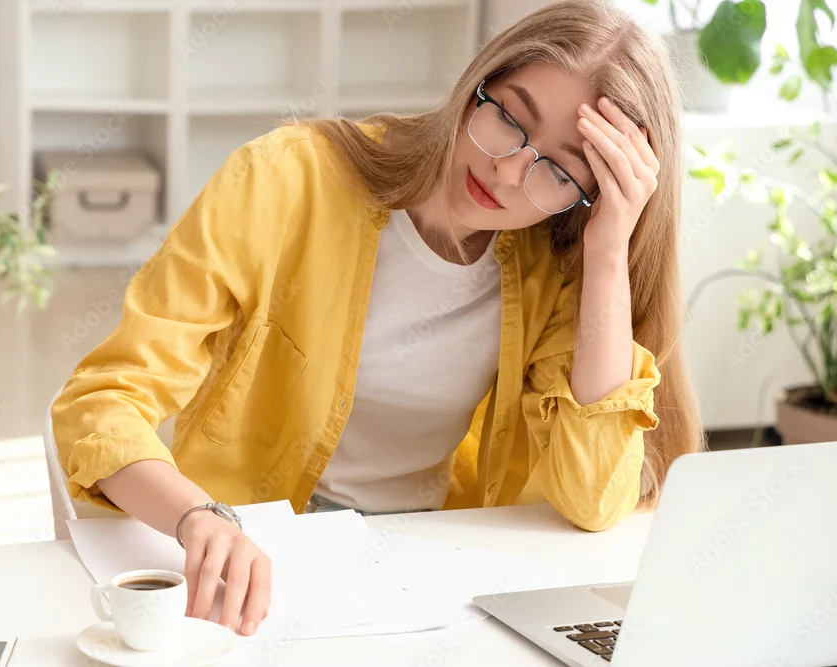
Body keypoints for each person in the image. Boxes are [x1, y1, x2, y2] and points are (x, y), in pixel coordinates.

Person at [51, 0, 704, 638]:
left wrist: (607, 251)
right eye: (509, 117)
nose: (507, 173)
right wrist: (199, 517)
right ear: (478, 82)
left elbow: (593, 500)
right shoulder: (287, 178)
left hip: (423, 573)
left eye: (559, 170)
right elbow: (103, 401)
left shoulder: (556, 268)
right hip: (248, 553)